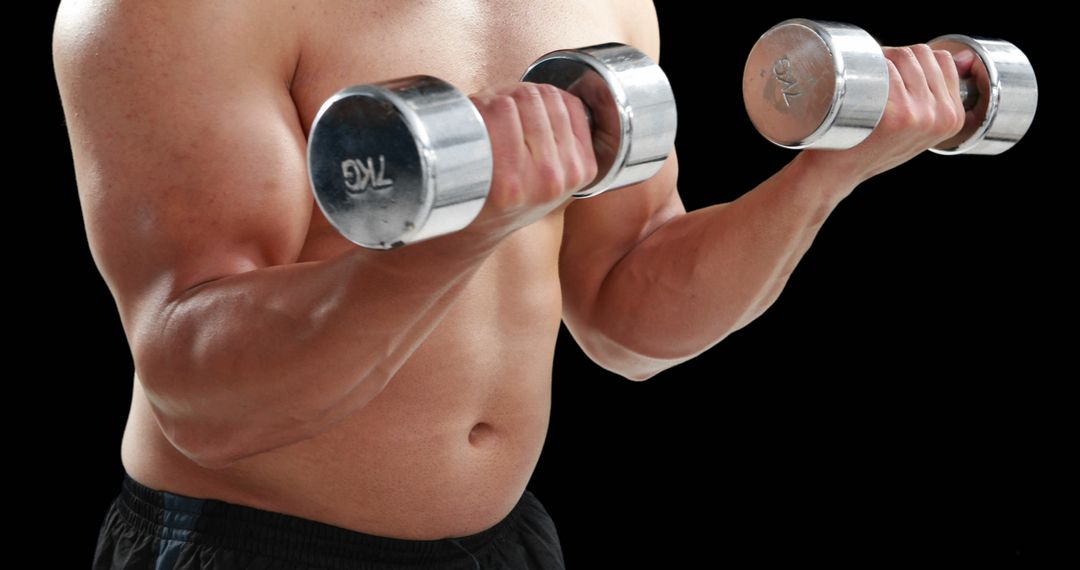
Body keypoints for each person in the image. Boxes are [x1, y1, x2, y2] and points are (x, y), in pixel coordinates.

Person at [54, 1, 972, 568]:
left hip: (502, 544)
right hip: (250, 546)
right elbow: (204, 399)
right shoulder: (171, 8)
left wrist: (827, 172)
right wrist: (473, 226)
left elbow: (627, 316)